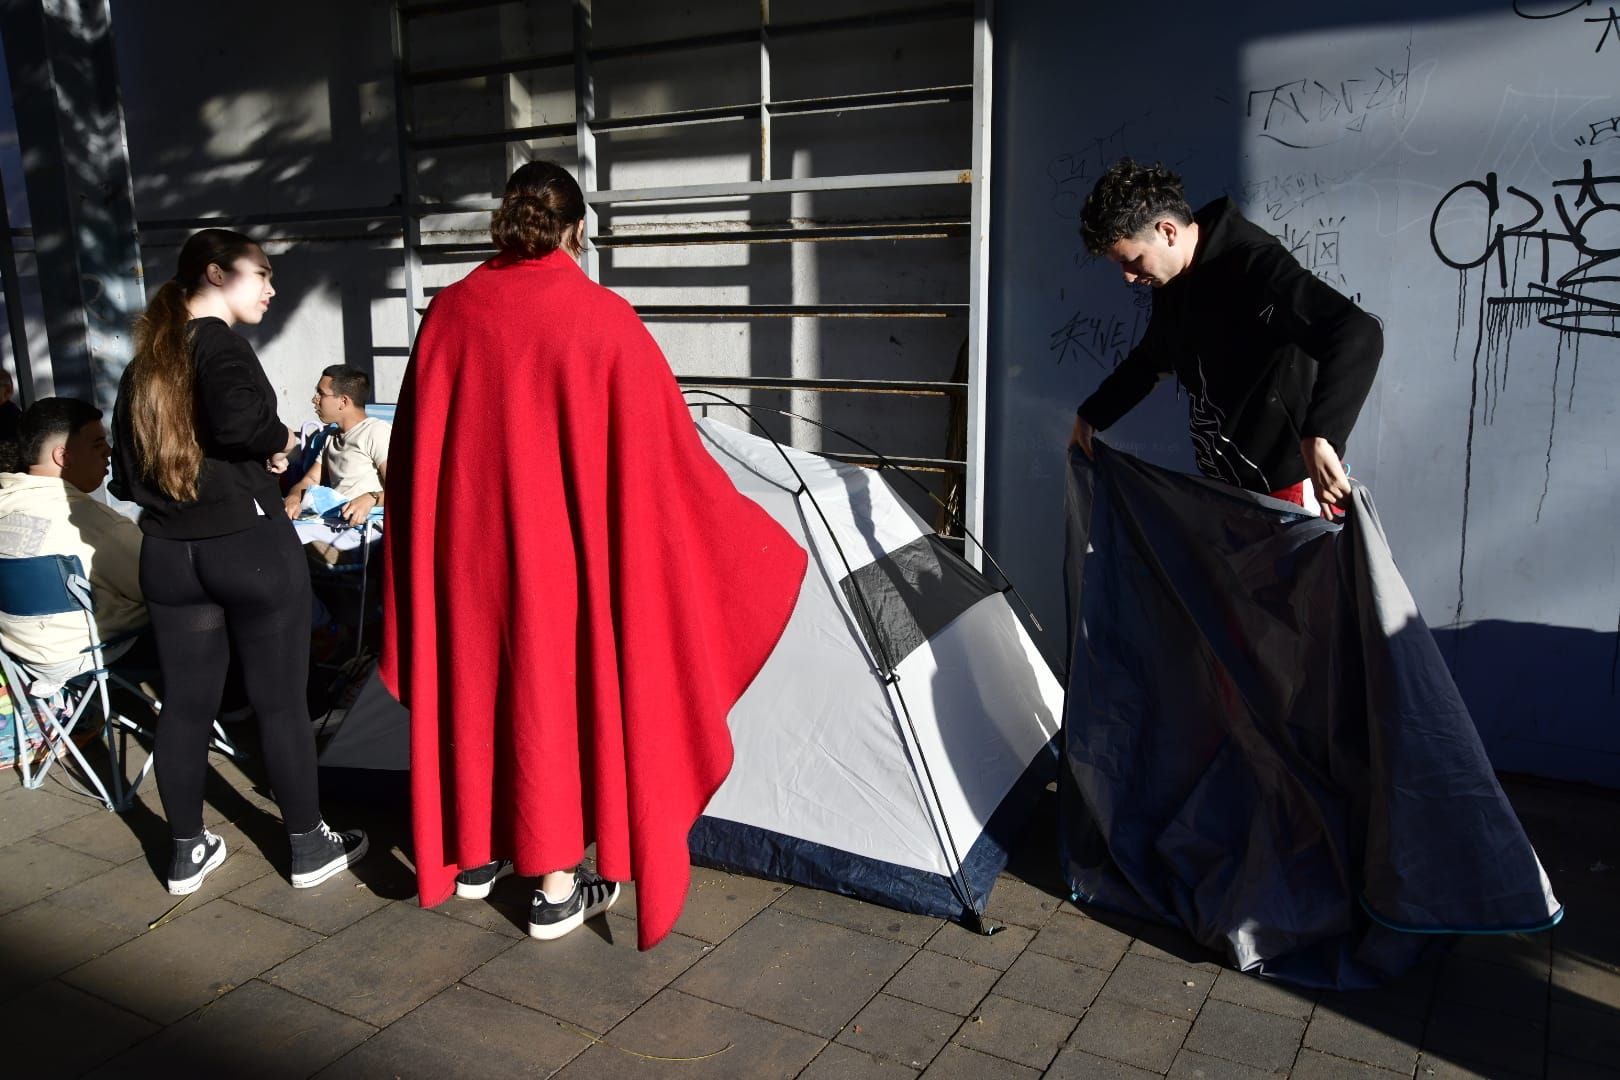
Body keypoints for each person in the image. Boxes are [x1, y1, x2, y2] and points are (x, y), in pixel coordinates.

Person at [381, 161, 806, 947]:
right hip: (559, 570)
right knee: (549, 704)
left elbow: (410, 457)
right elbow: (666, 466)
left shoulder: (448, 315)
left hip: (466, 562)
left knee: (478, 689)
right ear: (578, 228)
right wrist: (756, 541)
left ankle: (472, 857)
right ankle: (551, 886)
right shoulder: (602, 320)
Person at [110, 228, 367, 896]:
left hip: (169, 555)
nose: (273, 288)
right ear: (218, 274)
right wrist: (278, 439)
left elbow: (123, 478)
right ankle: (310, 846)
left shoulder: (147, 363)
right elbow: (235, 424)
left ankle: (186, 852)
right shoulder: (220, 344)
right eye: (263, 274)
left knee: (186, 707)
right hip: (246, 548)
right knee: (279, 703)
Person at [1069, 158, 1382, 517]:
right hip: (1230, 493)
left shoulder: (1252, 266)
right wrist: (1091, 416)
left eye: (1133, 260)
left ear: (1167, 231)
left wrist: (1322, 436)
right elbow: (1152, 358)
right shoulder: (1174, 279)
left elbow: (1358, 332)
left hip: (1288, 494)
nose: (1127, 277)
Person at [0, 397, 146, 679]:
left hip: (22, 660)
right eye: (97, 444)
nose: (109, 452)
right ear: (63, 457)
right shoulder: (91, 521)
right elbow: (159, 582)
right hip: (96, 657)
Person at [282, 365, 391, 527]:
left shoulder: (376, 432)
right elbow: (310, 480)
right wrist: (294, 497)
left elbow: (401, 489)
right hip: (334, 523)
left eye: (321, 394)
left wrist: (371, 498)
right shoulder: (330, 438)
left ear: (343, 401)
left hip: (365, 526)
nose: (314, 399)